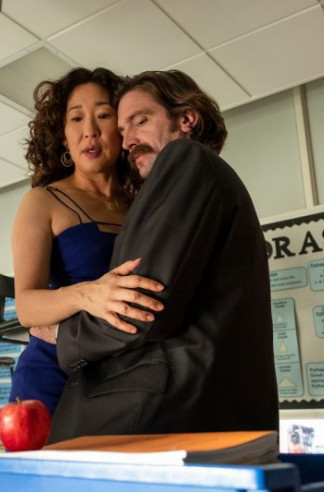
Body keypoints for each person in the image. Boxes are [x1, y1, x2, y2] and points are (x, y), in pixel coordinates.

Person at [49, 70, 279, 442]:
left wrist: (61, 334)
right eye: (122, 130)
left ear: (186, 119)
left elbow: (140, 305)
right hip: (214, 410)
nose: (127, 141)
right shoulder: (219, 183)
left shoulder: (184, 158)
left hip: (156, 411)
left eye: (140, 121)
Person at [8, 67, 164, 416]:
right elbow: (27, 307)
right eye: (76, 118)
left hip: (124, 376)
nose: (90, 130)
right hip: (53, 375)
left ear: (121, 128)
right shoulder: (42, 202)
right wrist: (89, 294)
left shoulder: (142, 206)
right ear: (63, 136)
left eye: (103, 115)